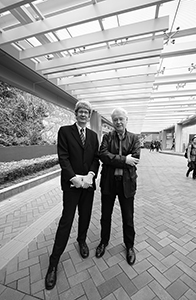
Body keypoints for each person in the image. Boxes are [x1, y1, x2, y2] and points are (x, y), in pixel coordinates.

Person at [45, 100, 99, 290]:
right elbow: (63, 157)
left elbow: (95, 159)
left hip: (88, 186)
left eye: (86, 112)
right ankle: (53, 263)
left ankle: (82, 240)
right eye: (80, 112)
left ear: (89, 115)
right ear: (75, 114)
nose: (83, 114)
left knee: (85, 216)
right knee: (66, 220)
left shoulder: (93, 136)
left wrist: (91, 175)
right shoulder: (65, 131)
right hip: (72, 185)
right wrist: (74, 178)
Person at [95, 107, 140, 265]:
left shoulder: (134, 138)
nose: (118, 122)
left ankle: (129, 246)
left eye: (121, 118)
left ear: (126, 120)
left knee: (128, 218)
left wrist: (115, 159)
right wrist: (123, 160)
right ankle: (103, 242)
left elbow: (134, 159)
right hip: (109, 183)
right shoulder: (107, 137)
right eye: (115, 119)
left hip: (127, 184)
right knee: (105, 216)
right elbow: (102, 155)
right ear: (112, 122)